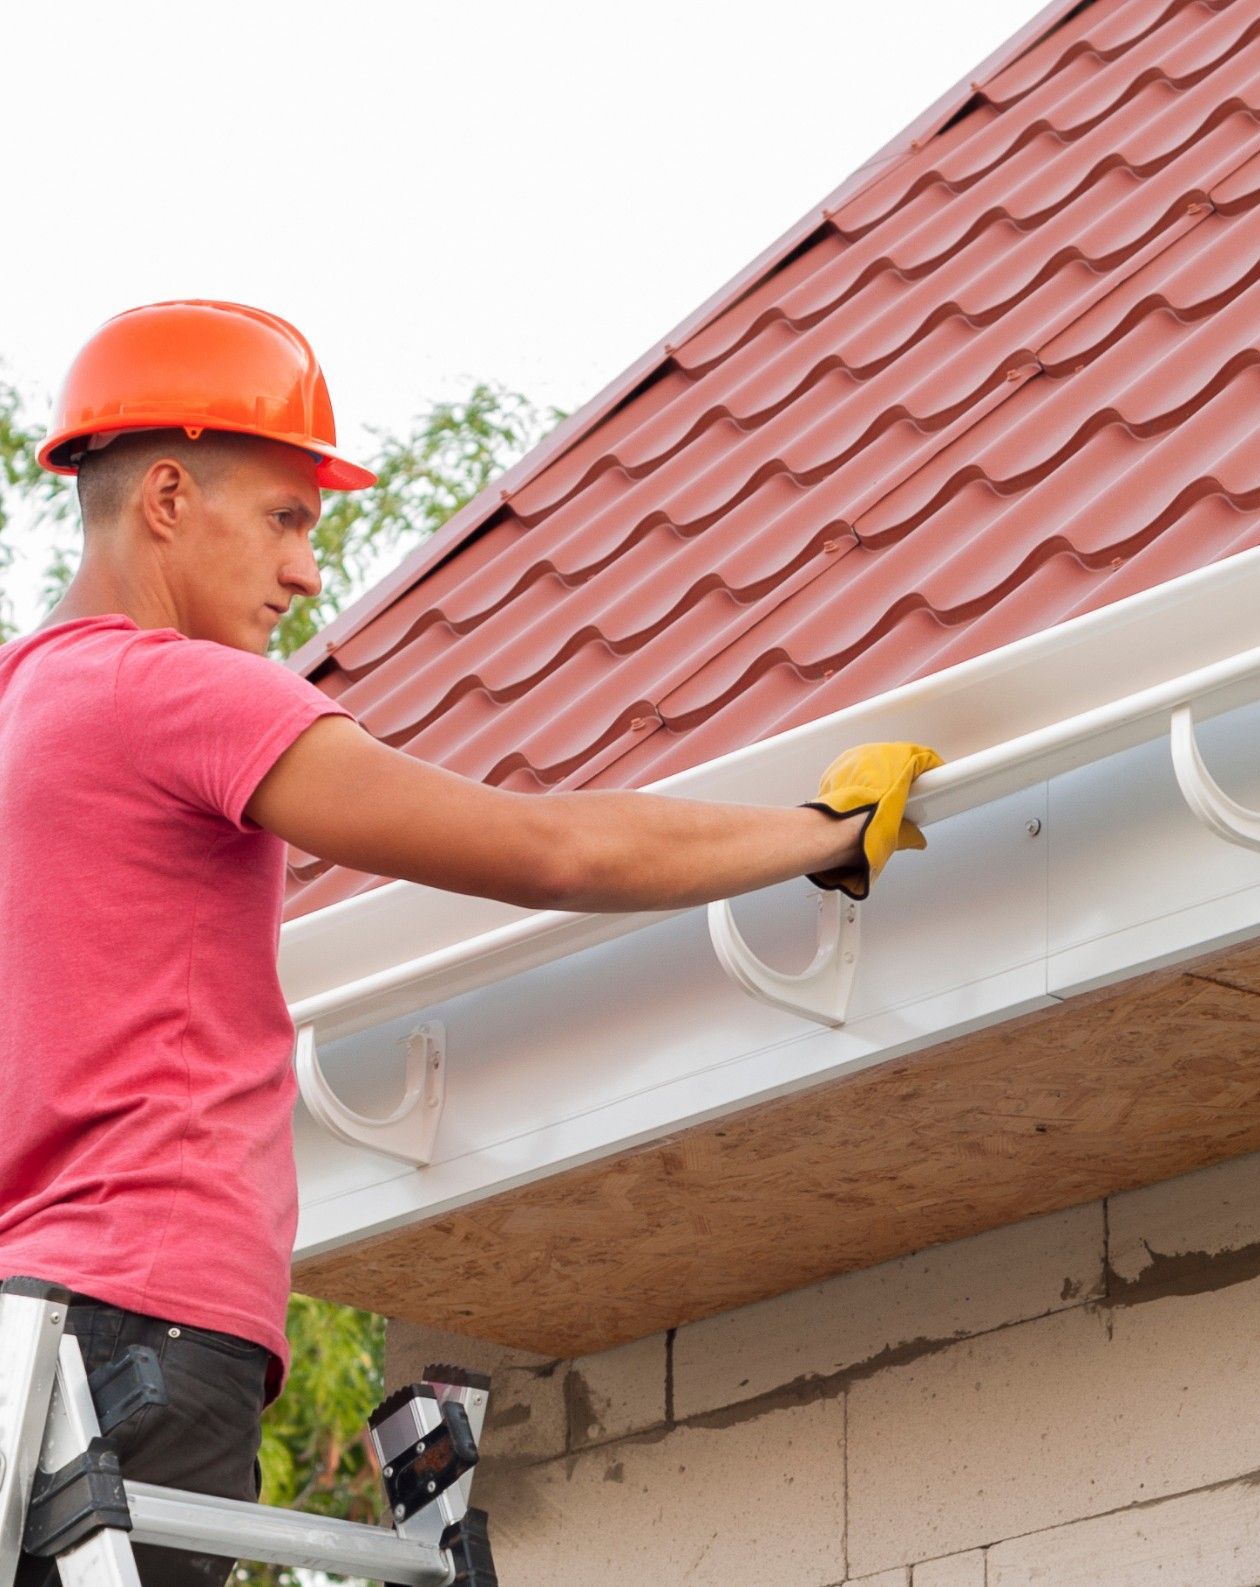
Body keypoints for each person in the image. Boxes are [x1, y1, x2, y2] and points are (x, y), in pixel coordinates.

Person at [0, 299, 942, 1587]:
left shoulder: (24, 712)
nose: (306, 571)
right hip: (145, 1328)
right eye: (285, 519)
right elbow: (548, 851)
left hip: (33, 1346)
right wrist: (820, 836)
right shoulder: (170, 691)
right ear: (168, 497)